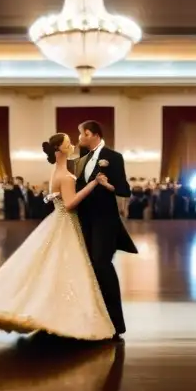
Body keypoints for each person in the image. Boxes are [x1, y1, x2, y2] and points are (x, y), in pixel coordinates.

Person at [0, 133, 116, 340]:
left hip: (58, 220)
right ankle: (63, 316)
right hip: (66, 223)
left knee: (53, 268)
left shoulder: (57, 172)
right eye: (68, 144)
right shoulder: (65, 176)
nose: (72, 146)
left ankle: (52, 313)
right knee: (68, 267)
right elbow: (70, 204)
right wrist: (93, 185)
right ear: (60, 150)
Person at [75, 120, 136, 336]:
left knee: (102, 264)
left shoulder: (113, 157)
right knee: (90, 268)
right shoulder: (82, 159)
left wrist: (107, 185)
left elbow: (124, 190)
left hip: (105, 220)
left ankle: (116, 323)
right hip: (84, 221)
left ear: (91, 134)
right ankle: (95, 319)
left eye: (81, 134)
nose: (79, 138)